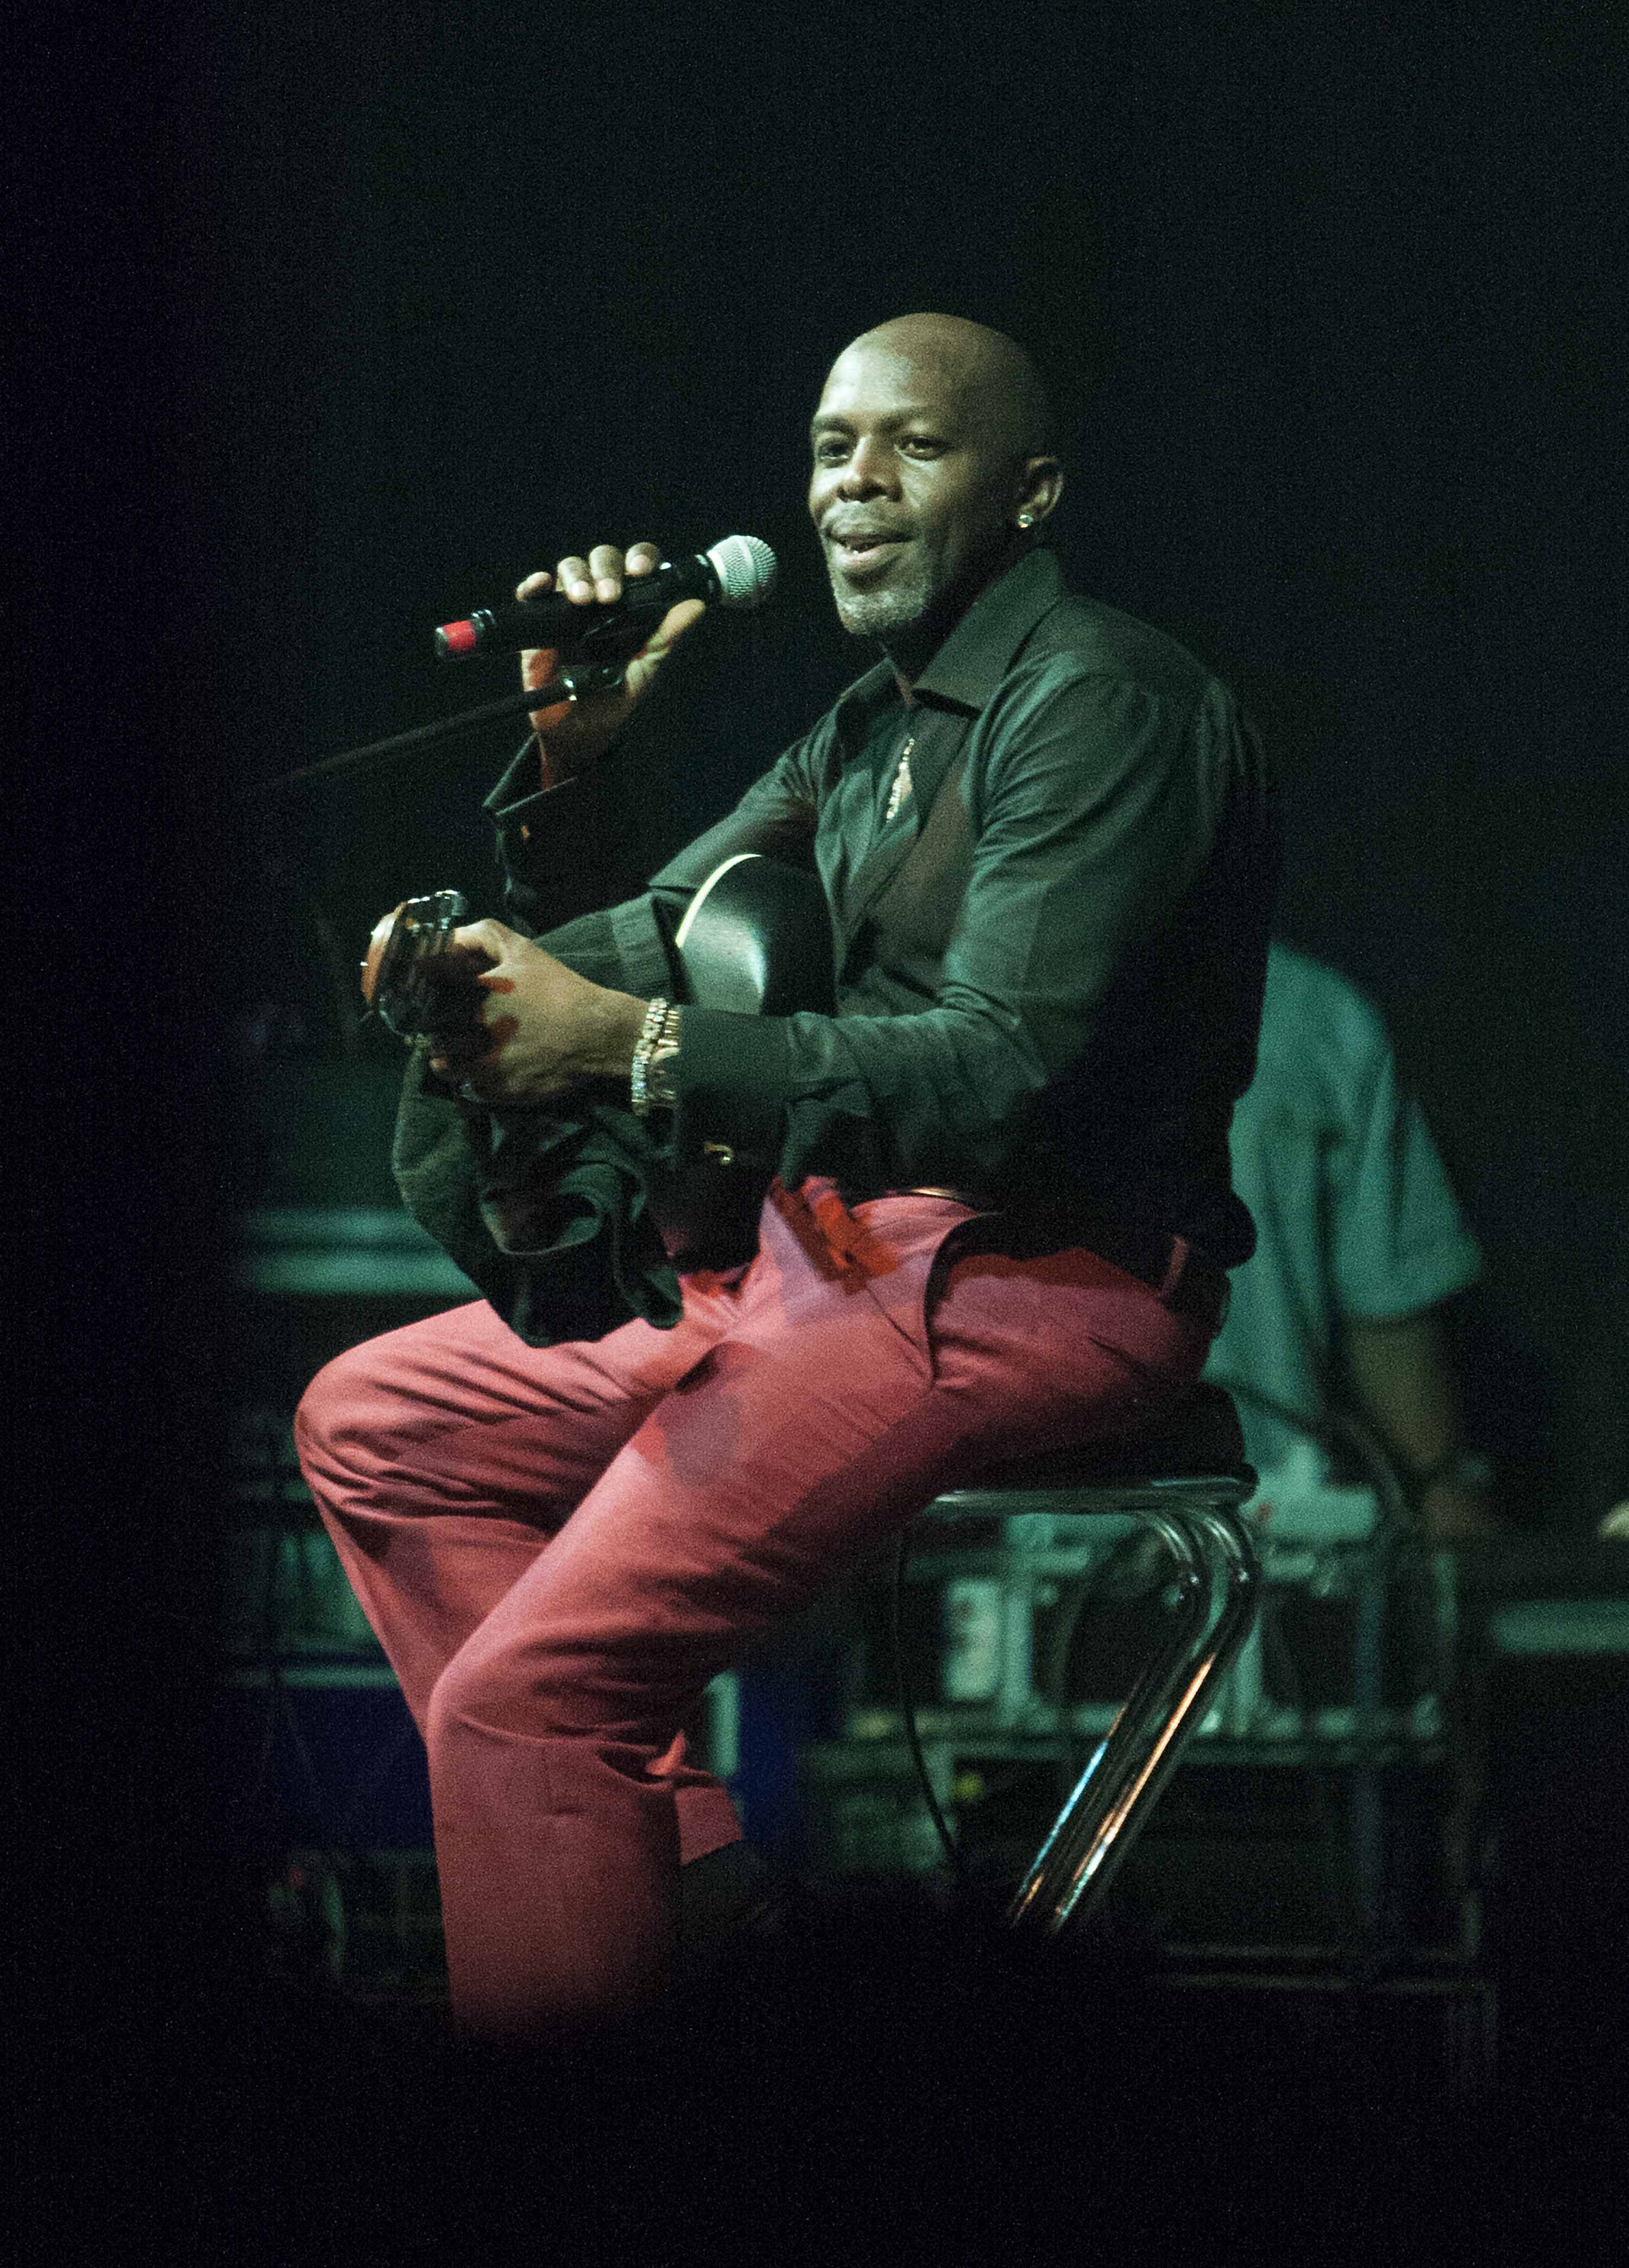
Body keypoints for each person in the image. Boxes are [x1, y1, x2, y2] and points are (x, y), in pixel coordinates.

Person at [294, 314, 1279, 2040]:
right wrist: (570, 769)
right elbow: (650, 946)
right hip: (822, 1261)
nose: (854, 486)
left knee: (528, 1702)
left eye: (914, 445)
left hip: (1033, 1278)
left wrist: (629, 1044)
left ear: (1030, 490)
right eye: (832, 449)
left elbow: (995, 1071)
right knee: (379, 1425)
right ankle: (671, 1879)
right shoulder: (861, 734)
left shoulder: (1101, 704)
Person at [1202, 942, 1494, 1540]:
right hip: (1023, 1527)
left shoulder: (1312, 1014)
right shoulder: (991, 1014)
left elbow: (1389, 1304)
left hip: (1262, 1525)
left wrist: (1442, 1497)